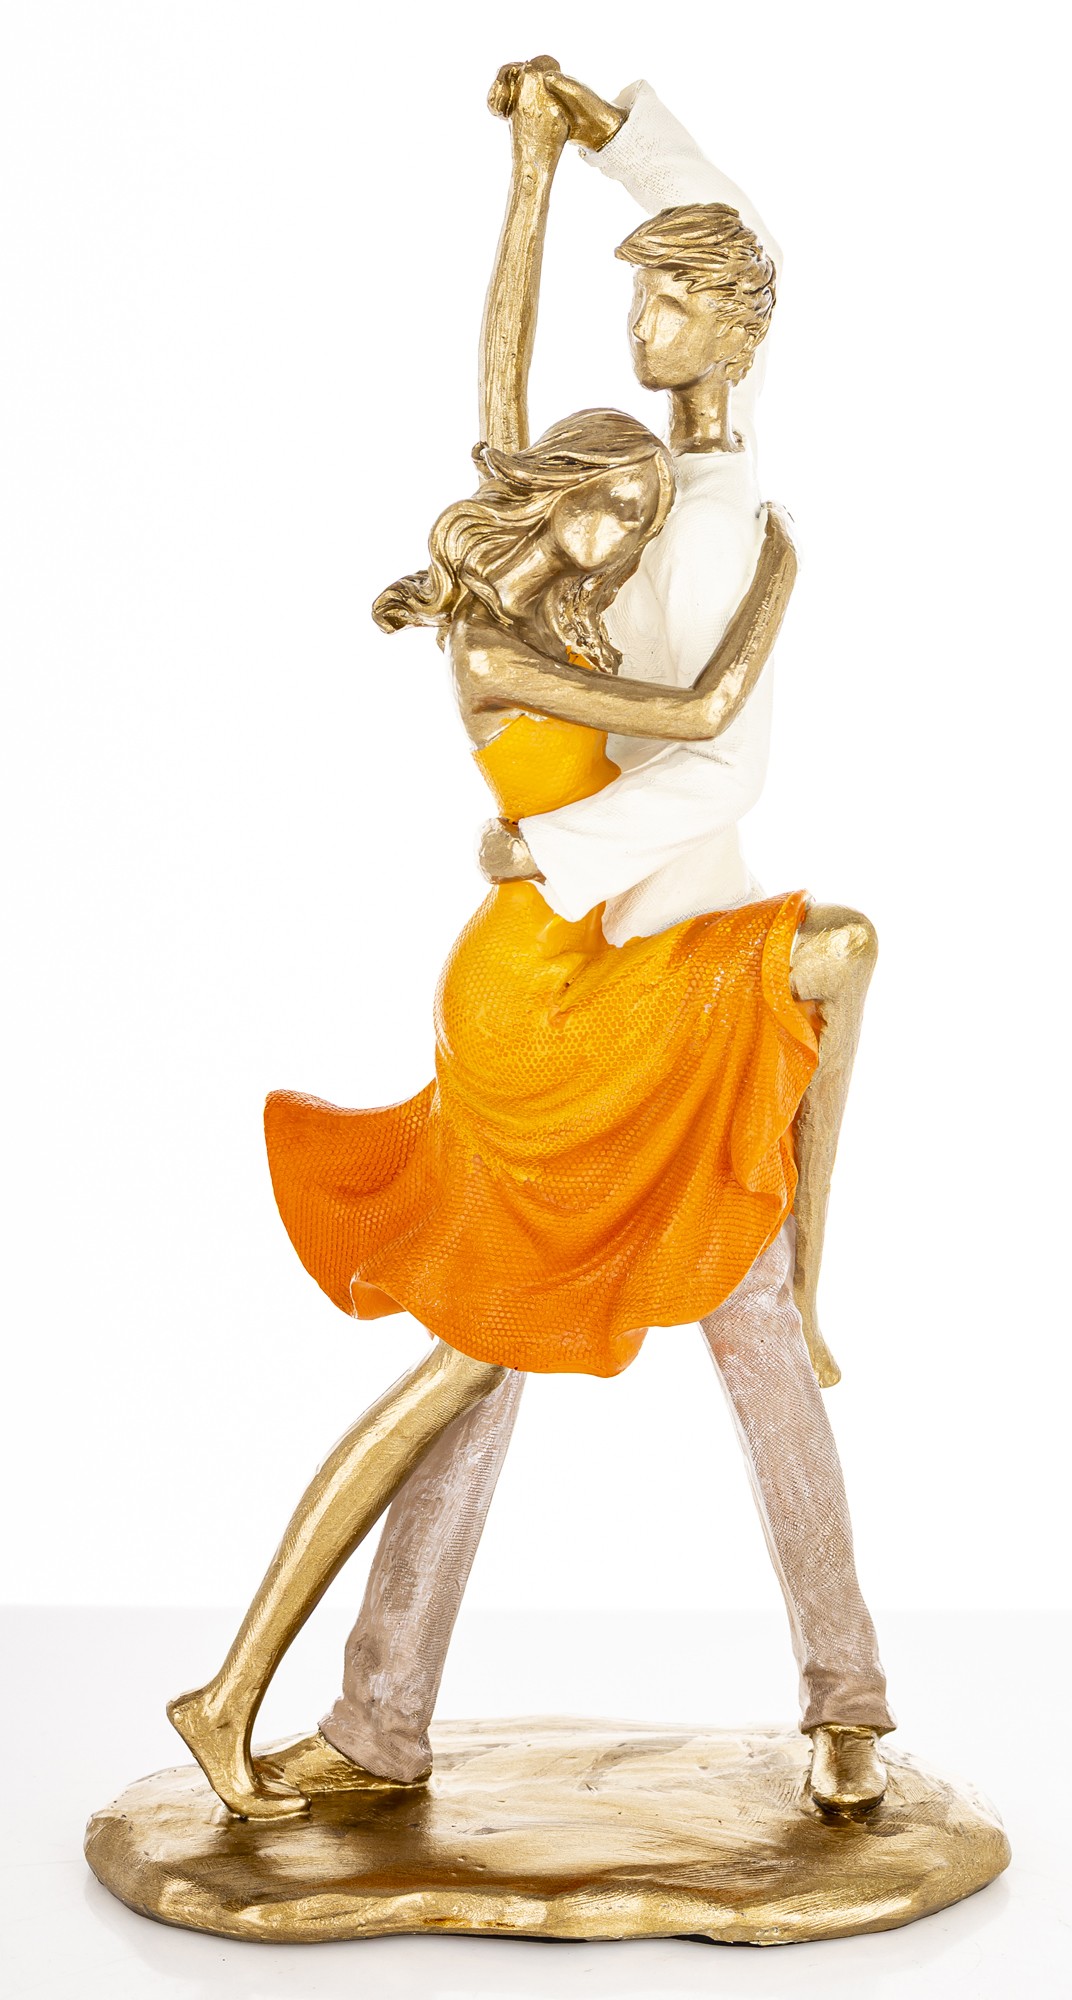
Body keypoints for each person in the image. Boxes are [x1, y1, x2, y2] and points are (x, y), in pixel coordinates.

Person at [168, 62, 892, 1821]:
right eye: (636, 294)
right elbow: (697, 713)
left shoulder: (697, 511)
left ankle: (843, 1700)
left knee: (747, 1323)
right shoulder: (615, 525)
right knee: (506, 1349)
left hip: (671, 966)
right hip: (586, 980)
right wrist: (553, 160)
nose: (636, 325)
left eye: (671, 302)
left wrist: (572, 147)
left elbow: (726, 759)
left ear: (731, 331)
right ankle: (378, 1717)